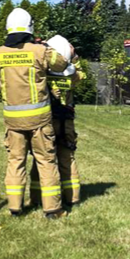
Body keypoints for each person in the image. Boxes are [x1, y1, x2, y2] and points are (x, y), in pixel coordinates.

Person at [0, 7, 67, 218]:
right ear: (29, 28)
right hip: (39, 120)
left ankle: (15, 208)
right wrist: (43, 46)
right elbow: (62, 64)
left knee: (15, 162)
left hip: (12, 121)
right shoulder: (39, 51)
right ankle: (52, 209)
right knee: (45, 161)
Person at [45, 34, 83, 209]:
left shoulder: (44, 75)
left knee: (46, 160)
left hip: (49, 120)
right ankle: (73, 198)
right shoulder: (71, 75)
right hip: (67, 120)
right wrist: (74, 57)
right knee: (68, 157)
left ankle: (41, 198)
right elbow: (80, 75)